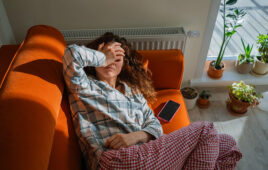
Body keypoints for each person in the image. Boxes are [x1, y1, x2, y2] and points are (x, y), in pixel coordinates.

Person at [62, 32, 242, 170]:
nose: (111, 61)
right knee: (206, 130)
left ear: (123, 64)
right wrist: (103, 57)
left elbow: (155, 125)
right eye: (106, 55)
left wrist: (136, 136)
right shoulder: (84, 86)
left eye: (117, 58)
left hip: (144, 155)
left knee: (228, 144)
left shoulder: (132, 92)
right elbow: (71, 55)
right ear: (95, 57)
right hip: (115, 160)